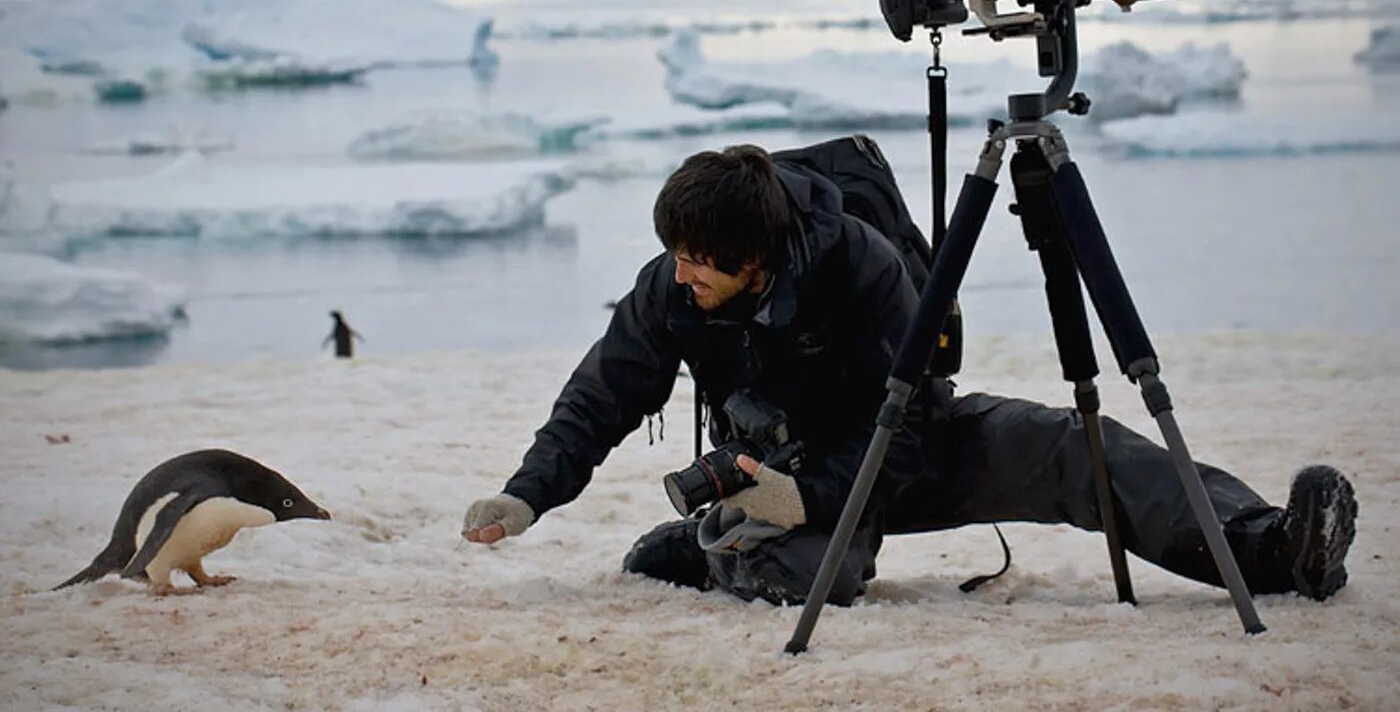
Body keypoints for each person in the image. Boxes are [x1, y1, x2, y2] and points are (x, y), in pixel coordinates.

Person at [463, 144, 1357, 606]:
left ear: (754, 255)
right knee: (815, 578)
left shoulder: (863, 268)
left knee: (1072, 447)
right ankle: (710, 554)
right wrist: (527, 495)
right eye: (675, 254)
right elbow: (602, 394)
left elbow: (914, 416)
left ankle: (1271, 548)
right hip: (774, 485)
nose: (679, 271)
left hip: (900, 449)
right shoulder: (675, 286)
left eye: (698, 257)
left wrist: (808, 493)